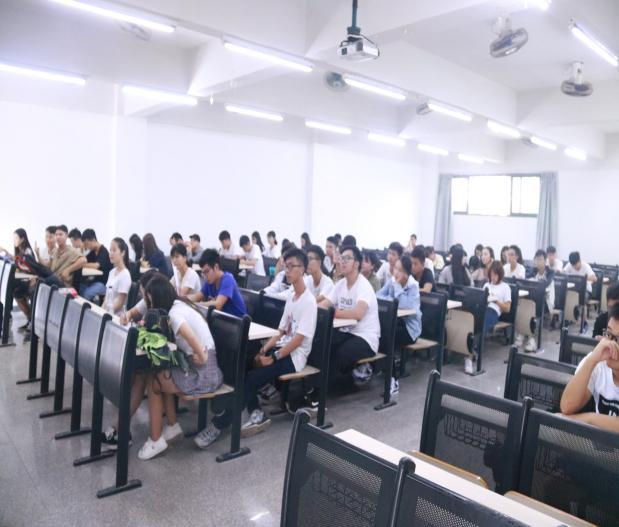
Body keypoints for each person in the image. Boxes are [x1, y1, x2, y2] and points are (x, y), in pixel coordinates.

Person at [195, 249, 317, 448]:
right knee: (246, 363)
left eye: (292, 266)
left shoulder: (308, 301)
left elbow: (298, 339)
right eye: (286, 266)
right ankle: (256, 411)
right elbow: (281, 331)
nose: (287, 270)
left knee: (253, 377)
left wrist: (274, 357)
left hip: (295, 357)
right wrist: (264, 349)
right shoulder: (292, 297)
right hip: (281, 348)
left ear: (303, 269)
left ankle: (220, 423)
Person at [139, 276, 224, 460]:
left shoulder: (175, 314)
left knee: (154, 383)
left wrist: (201, 355)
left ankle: (156, 440)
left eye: (151, 300)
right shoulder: (179, 305)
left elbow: (190, 335)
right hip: (201, 367)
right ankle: (172, 427)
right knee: (160, 372)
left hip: (204, 373)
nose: (150, 305)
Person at [319, 245, 381, 385]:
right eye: (341, 258)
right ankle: (316, 383)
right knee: (323, 342)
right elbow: (324, 304)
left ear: (357, 264)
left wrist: (333, 313)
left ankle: (323, 389)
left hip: (365, 337)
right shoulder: (341, 284)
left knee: (341, 353)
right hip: (348, 332)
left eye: (347, 258)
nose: (343, 262)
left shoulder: (364, 286)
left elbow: (358, 314)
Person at [560, 304, 619, 433]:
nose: (612, 346)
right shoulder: (599, 362)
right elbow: (567, 407)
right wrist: (592, 360)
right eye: (609, 335)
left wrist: (589, 419)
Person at [377, 254, 422, 394]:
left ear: (407, 274)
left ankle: (393, 380)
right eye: (395, 268)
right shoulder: (391, 281)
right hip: (395, 324)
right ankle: (381, 369)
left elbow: (405, 305)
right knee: (380, 335)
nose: (395, 272)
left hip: (410, 330)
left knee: (387, 338)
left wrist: (396, 287)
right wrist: (392, 297)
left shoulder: (413, 286)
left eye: (400, 270)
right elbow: (378, 296)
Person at [187, 250, 247, 317]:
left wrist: (195, 305)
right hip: (221, 319)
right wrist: (181, 300)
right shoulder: (210, 281)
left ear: (216, 267)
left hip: (237, 321)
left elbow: (217, 305)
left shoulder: (228, 279)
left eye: (206, 271)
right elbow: (196, 296)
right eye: (203, 272)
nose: (204, 276)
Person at [479, 262, 512, 372]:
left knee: (483, 323)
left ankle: (473, 349)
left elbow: (507, 308)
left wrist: (496, 301)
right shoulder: (487, 285)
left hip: (493, 311)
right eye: (491, 275)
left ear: (500, 274)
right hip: (483, 308)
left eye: (495, 275)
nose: (492, 277)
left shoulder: (505, 287)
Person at [3, 228, 36, 325]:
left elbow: (27, 270)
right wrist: (6, 252)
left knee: (12, 288)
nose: (14, 241)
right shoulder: (20, 250)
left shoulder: (27, 251)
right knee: (12, 288)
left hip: (29, 279)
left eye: (16, 238)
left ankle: (10, 316)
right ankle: (28, 318)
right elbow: (17, 262)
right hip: (24, 278)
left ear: (22, 239)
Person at [79, 229, 112, 301]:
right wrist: (81, 249)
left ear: (93, 240)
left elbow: (96, 265)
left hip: (104, 283)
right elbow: (84, 260)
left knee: (86, 294)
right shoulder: (93, 252)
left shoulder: (104, 251)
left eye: (87, 244)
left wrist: (81, 264)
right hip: (94, 280)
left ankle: (85, 306)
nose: (87, 247)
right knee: (79, 286)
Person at [103, 237, 132, 316]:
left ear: (122, 253)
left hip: (116, 317)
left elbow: (120, 303)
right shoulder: (111, 272)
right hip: (107, 313)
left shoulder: (125, 275)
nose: (111, 253)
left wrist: (105, 314)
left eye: (114, 250)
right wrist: (100, 311)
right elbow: (106, 299)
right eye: (110, 250)